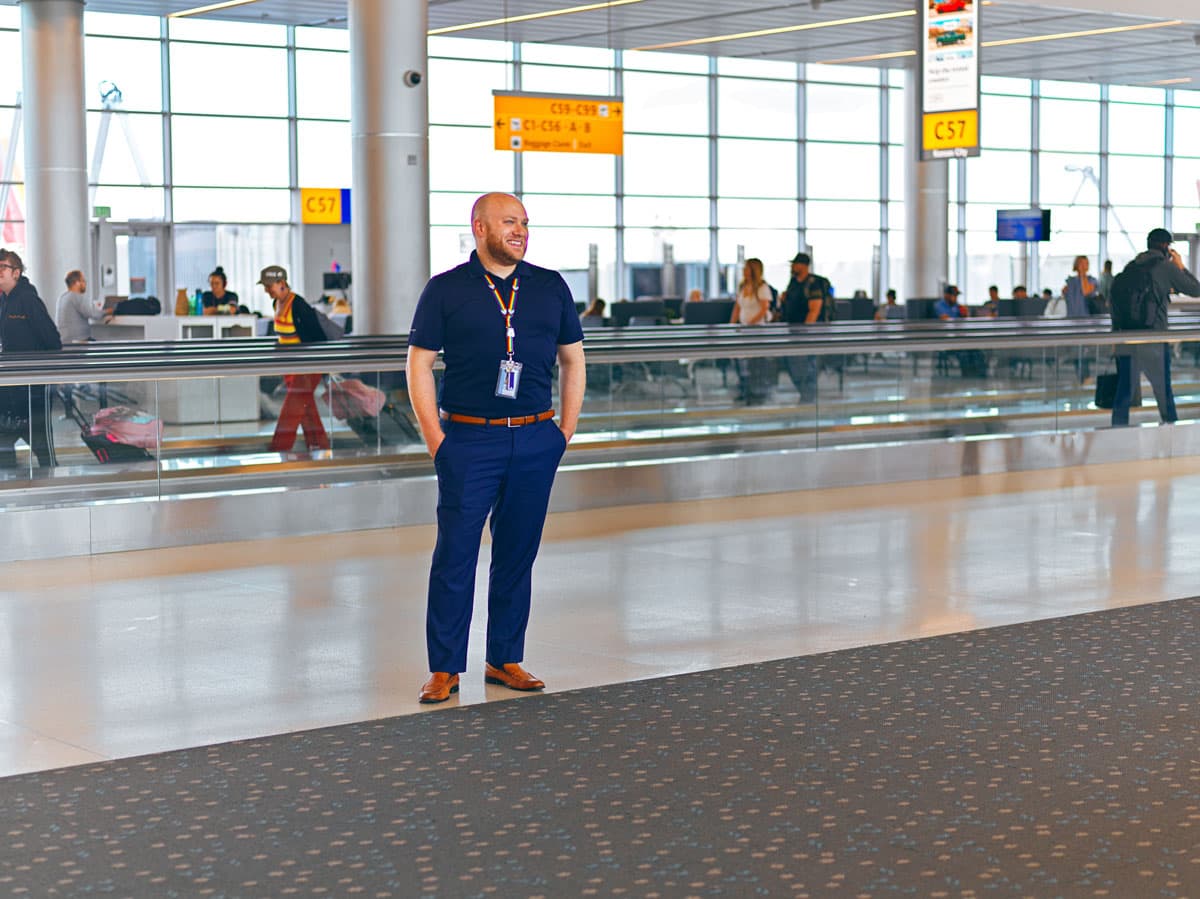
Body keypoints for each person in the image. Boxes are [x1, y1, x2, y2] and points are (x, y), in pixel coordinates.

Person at [406, 192, 586, 704]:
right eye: (509, 222)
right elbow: (418, 366)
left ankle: (504, 657)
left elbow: (573, 361)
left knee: (516, 554)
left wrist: (563, 431)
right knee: (456, 554)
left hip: (535, 438)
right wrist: (437, 441)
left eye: (525, 223)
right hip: (468, 439)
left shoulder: (550, 287)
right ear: (479, 227)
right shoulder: (445, 290)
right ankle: (444, 668)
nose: (521, 231)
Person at [1110, 228, 1200, 427]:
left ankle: (1116, 434)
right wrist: (1181, 267)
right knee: (1163, 391)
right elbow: (1195, 289)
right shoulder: (1165, 268)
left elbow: (1116, 304)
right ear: (1166, 247)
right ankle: (1171, 433)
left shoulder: (1131, 267)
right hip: (1154, 340)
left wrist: (1115, 339)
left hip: (1127, 339)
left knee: (1124, 391)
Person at [0, 249, 62, 469]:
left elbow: (53, 340)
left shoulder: (28, 299)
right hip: (10, 388)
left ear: (16, 272)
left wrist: (44, 373)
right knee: (4, 441)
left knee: (41, 444)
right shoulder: (3, 300)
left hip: (32, 389)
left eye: (2, 267)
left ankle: (54, 488)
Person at [259, 265, 330, 452]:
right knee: (306, 408)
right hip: (290, 366)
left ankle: (278, 449)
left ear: (281, 283)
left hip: (307, 366)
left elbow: (316, 337)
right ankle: (319, 447)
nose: (266, 290)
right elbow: (284, 336)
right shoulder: (276, 304)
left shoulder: (298, 305)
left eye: (269, 286)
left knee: (291, 410)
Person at [779, 252, 833, 401]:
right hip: (793, 330)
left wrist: (805, 333)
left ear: (804, 265)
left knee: (809, 364)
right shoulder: (794, 282)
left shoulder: (813, 284)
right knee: (793, 364)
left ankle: (808, 395)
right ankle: (806, 393)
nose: (792, 266)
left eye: (795, 264)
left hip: (809, 333)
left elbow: (814, 310)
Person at [731, 258, 773, 404]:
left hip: (756, 330)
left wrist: (750, 323)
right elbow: (738, 307)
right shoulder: (743, 286)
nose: (744, 271)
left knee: (755, 363)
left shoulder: (762, 287)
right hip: (743, 329)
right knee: (743, 362)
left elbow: (763, 309)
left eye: (747, 268)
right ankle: (745, 390)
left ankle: (757, 393)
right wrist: (732, 324)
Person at [56, 269, 108, 343]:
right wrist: (107, 311)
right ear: (77, 283)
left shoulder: (62, 297)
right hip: (78, 340)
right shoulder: (76, 296)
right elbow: (93, 314)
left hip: (64, 340)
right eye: (83, 281)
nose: (85, 283)